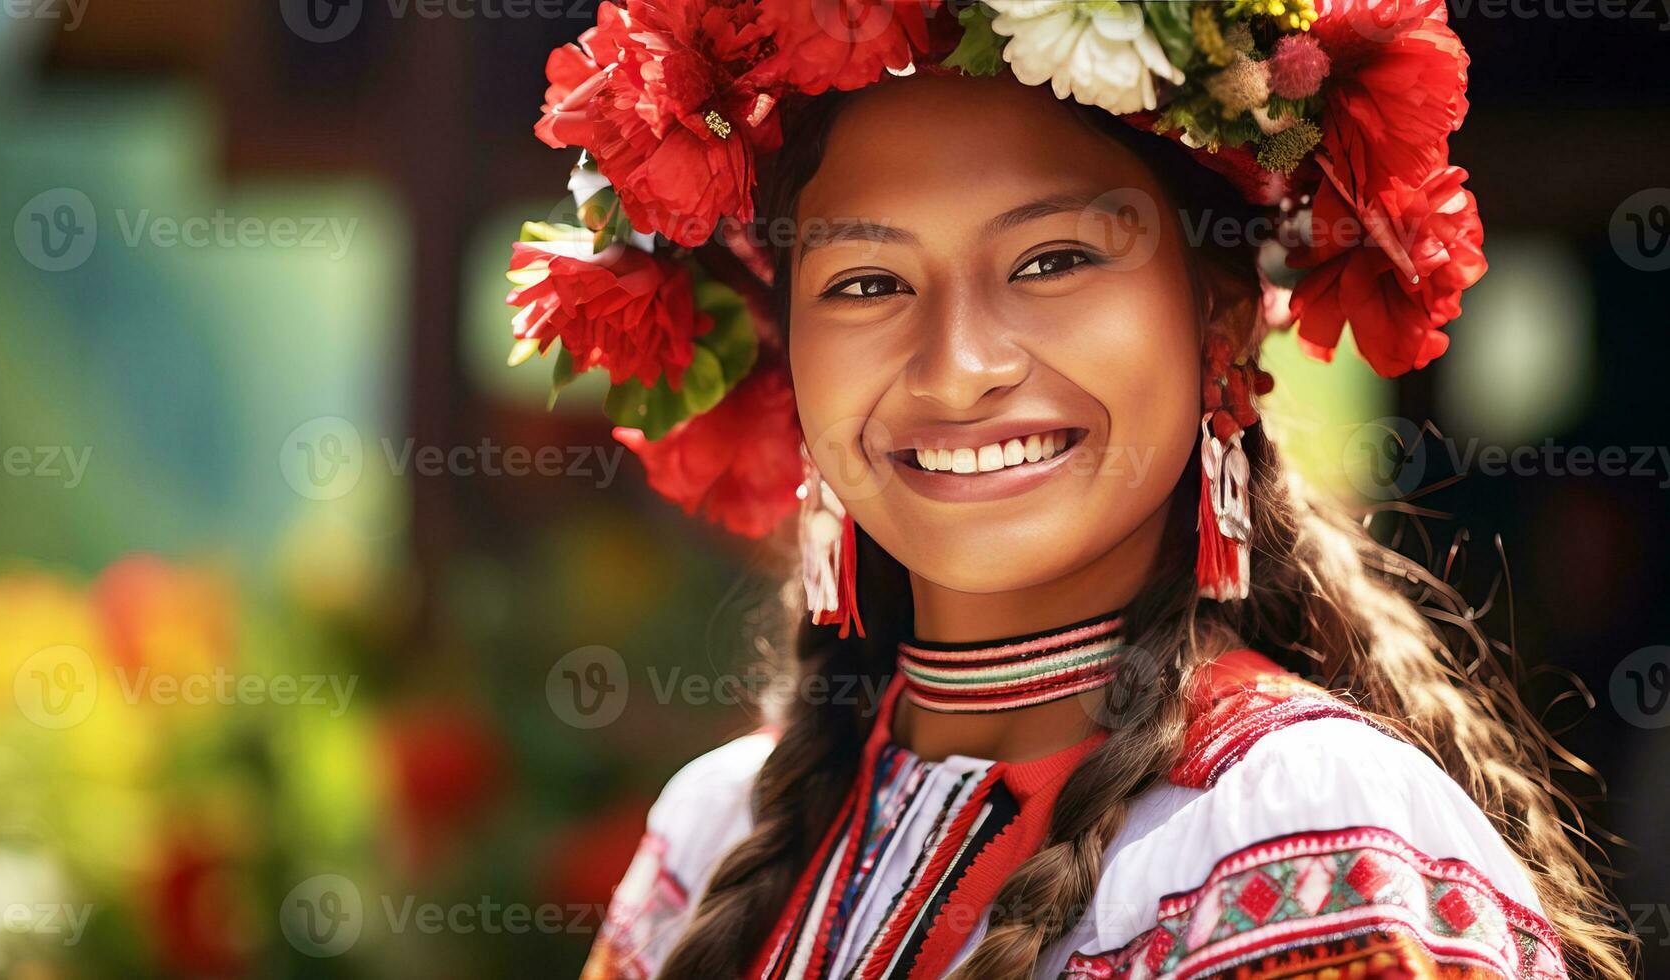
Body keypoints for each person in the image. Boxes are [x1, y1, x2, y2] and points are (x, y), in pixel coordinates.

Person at [508, 1, 1635, 977]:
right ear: (790, 356)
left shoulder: (1314, 843)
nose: (957, 365)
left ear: (1223, 316)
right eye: (865, 281)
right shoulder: (709, 837)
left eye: (1052, 260)